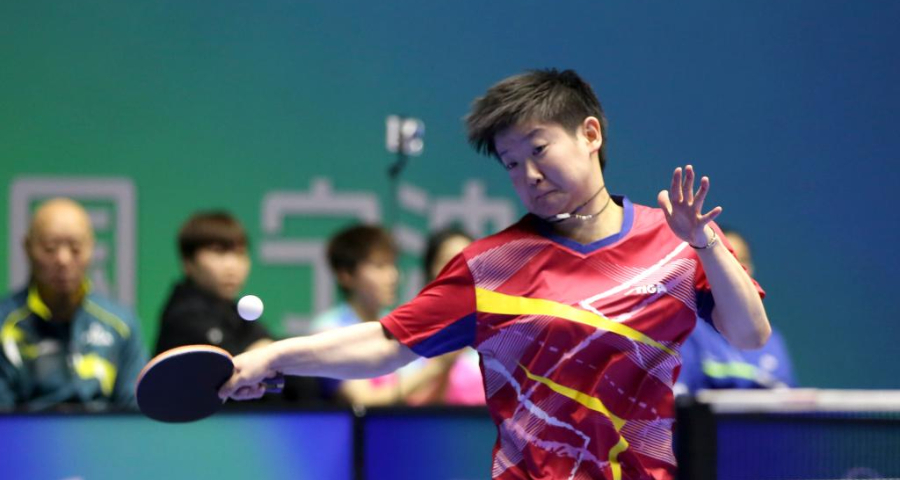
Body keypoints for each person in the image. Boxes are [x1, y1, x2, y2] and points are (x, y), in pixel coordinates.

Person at [219, 69, 770, 480]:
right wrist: (271, 356)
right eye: (511, 163)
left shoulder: (676, 242)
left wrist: (704, 242)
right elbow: (387, 344)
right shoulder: (491, 266)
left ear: (591, 134)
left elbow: (751, 334)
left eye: (539, 149)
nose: (529, 174)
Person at [0, 198, 147, 412]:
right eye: (50, 248)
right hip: (27, 433)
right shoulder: (4, 325)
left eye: (76, 248)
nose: (63, 259)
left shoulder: (121, 324)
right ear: (28, 248)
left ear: (91, 248)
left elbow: (134, 413)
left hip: (103, 433)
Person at [310, 224, 458, 406]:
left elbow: (422, 399)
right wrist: (436, 368)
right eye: (380, 266)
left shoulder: (402, 326)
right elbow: (364, 400)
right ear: (345, 275)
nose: (393, 276)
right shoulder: (329, 330)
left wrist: (446, 365)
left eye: (392, 264)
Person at [675, 228, 795, 393]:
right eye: (729, 259)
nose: (736, 270)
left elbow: (786, 400)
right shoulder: (682, 332)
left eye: (742, 260)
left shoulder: (772, 339)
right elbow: (679, 399)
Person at [155, 211, 272, 356]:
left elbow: (267, 344)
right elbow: (232, 364)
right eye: (218, 252)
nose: (231, 266)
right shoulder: (184, 315)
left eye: (240, 253)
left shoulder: (233, 310)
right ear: (188, 262)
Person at [421, 226, 486, 406]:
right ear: (430, 271)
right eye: (448, 261)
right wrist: (443, 365)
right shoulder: (411, 339)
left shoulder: (498, 336)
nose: (460, 271)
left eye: (468, 262)